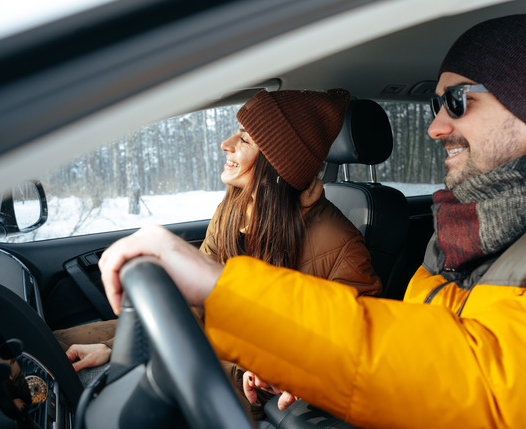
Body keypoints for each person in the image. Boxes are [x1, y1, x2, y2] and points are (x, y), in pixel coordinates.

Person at [97, 14, 526, 429]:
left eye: (459, 100)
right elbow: (427, 354)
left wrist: (221, 291)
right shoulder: (466, 230)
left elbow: (500, 389)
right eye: (433, 103)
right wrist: (309, 374)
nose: (435, 126)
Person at [56, 88, 382, 418]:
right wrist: (116, 350)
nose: (226, 144)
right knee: (50, 348)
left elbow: (355, 352)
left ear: (277, 162)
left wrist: (281, 373)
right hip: (205, 347)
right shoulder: (231, 211)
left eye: (245, 139)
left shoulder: (343, 246)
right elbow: (195, 306)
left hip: (249, 389)